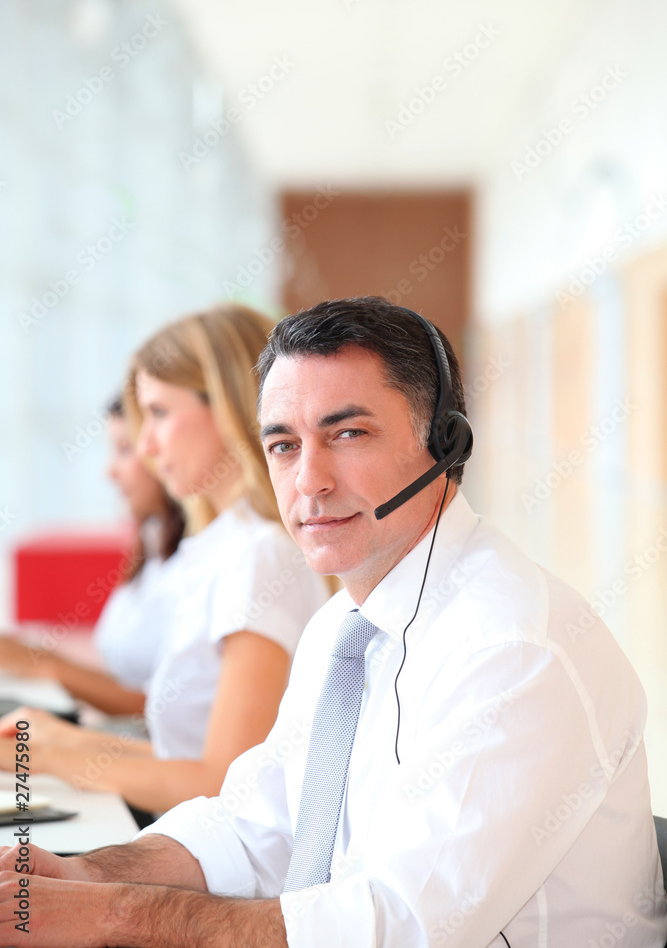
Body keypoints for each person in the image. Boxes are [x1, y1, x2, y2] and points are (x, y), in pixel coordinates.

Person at [0, 296, 665, 948]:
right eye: (283, 445)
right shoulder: (342, 625)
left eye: (348, 434)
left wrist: (114, 916)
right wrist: (83, 875)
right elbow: (252, 827)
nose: (308, 481)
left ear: (446, 442)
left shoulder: (510, 649)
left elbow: (398, 928)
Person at [0, 304, 327, 815]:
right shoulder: (220, 547)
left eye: (158, 413)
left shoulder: (262, 555)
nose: (147, 447)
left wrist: (47, 756)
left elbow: (223, 783)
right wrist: (57, 739)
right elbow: (184, 755)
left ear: (225, 404)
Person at [0, 396, 185, 714]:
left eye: (125, 449)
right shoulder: (151, 545)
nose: (109, 472)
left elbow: (168, 708)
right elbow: (124, 669)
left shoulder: (199, 561)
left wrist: (43, 664)